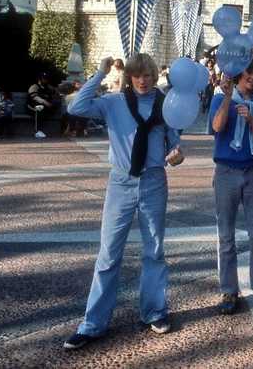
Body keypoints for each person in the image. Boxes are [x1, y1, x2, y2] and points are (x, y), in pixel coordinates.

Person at [63, 54, 184, 351]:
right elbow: (76, 106)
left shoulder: (165, 104)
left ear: (155, 76)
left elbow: (174, 142)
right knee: (108, 253)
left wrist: (177, 154)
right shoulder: (114, 102)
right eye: (137, 75)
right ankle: (92, 324)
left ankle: (154, 312)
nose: (143, 80)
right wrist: (100, 73)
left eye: (148, 75)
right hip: (121, 182)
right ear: (129, 76)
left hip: (154, 181)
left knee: (154, 250)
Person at [209, 55, 253, 314]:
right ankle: (229, 290)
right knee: (226, 236)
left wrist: (252, 121)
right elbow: (217, 127)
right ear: (239, 74)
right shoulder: (219, 97)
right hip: (226, 171)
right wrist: (226, 98)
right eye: (249, 71)